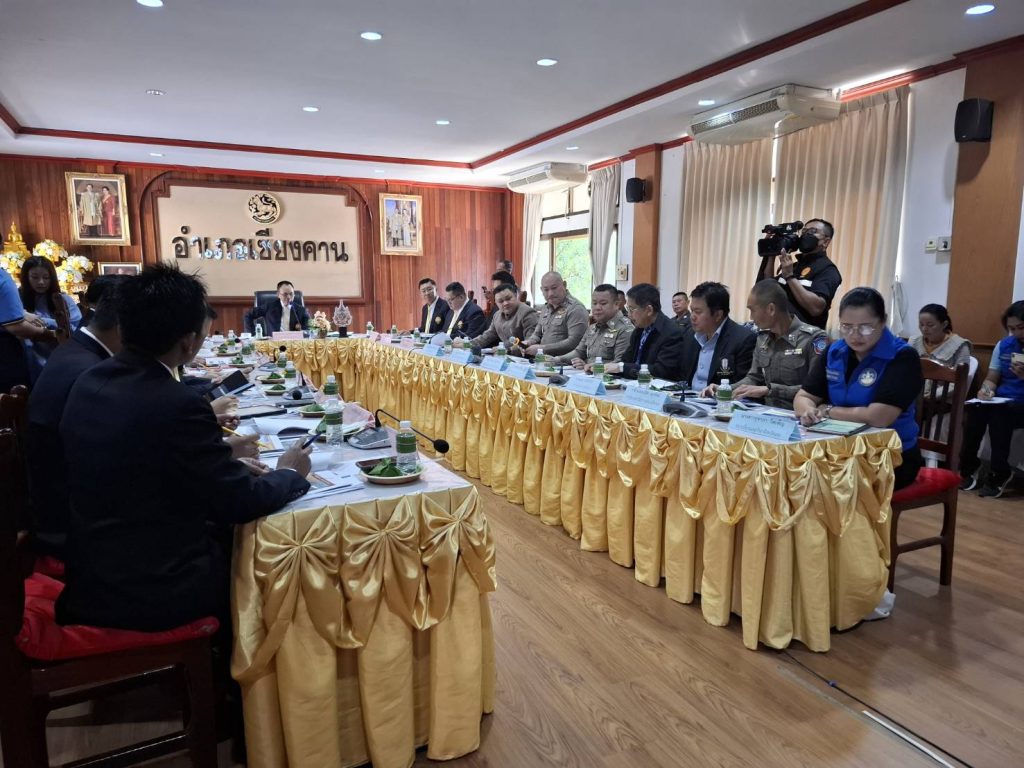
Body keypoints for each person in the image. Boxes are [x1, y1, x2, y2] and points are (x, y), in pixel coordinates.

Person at [56, 263, 312, 632]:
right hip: (155, 588)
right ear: (188, 342)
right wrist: (289, 471)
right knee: (283, 564)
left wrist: (221, 460)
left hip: (91, 575)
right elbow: (240, 502)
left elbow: (146, 464)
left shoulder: (88, 382)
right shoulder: (177, 403)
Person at [26, 276, 127, 558]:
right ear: (123, 326)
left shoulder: (78, 349)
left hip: (59, 491)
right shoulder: (91, 371)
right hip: (70, 515)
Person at [794, 287, 923, 491]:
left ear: (883, 321)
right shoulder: (835, 351)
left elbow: (879, 417)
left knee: (825, 486)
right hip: (839, 449)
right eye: (846, 327)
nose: (855, 335)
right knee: (792, 473)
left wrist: (827, 411)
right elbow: (803, 397)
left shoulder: (902, 357)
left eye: (865, 327)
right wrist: (808, 410)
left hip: (890, 456)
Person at [703, 279, 827, 408]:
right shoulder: (763, 339)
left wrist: (769, 390)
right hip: (766, 413)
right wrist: (725, 388)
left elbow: (817, 389)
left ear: (771, 309)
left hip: (799, 413)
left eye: (752, 310)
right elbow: (753, 378)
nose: (751, 317)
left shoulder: (812, 339)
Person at [959, 300, 1024, 498]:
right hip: (1004, 400)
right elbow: (992, 377)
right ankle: (968, 467)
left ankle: (999, 472)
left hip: (1019, 405)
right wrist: (985, 391)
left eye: (1021, 327)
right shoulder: (1004, 346)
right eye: (1012, 329)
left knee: (1000, 415)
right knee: (976, 408)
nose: (1016, 333)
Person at [756, 218, 842, 329]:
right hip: (777, 331)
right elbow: (768, 287)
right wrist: (771, 253)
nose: (806, 235)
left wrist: (790, 277)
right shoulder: (795, 266)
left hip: (803, 336)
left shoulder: (828, 270)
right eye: (804, 231)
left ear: (826, 242)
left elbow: (816, 308)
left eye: (812, 231)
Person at [679, 282, 756, 390]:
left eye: (698, 312)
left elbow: (740, 386)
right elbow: (682, 376)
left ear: (718, 315)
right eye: (692, 311)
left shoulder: (744, 339)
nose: (692, 317)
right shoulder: (690, 334)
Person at [601, 283, 685, 379]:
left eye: (631, 309)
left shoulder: (671, 332)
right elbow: (626, 360)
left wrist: (621, 367)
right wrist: (606, 367)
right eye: (628, 309)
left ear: (649, 310)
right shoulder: (639, 330)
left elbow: (661, 371)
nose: (629, 314)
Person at [19, 255, 82, 378]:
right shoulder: (17, 298)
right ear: (26, 277)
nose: (41, 282)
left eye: (46, 277)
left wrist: (44, 321)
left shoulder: (63, 299)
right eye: (35, 277)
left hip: (60, 352)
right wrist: (23, 314)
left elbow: (75, 328)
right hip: (26, 355)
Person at [552, 284, 633, 367]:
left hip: (607, 375)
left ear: (616, 304)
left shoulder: (625, 329)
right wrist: (556, 360)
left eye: (603, 303)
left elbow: (620, 364)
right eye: (594, 303)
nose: (597, 307)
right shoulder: (592, 328)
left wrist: (590, 366)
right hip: (587, 373)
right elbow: (579, 352)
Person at [520, 271, 589, 358]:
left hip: (565, 362)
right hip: (542, 360)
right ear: (541, 290)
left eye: (554, 288)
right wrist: (527, 343)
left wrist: (543, 349)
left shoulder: (575, 309)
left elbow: (575, 342)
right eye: (546, 290)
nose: (550, 294)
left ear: (564, 285)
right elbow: (537, 334)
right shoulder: (546, 308)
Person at [459, 282, 538, 351]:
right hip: (505, 356)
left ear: (515, 295)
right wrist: (467, 344)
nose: (505, 303)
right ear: (496, 303)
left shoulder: (527, 313)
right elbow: (487, 336)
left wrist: (505, 349)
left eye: (508, 299)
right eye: (501, 301)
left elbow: (530, 342)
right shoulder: (497, 315)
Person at [909, 303, 972, 370]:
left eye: (930, 325)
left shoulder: (960, 345)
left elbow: (961, 375)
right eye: (921, 324)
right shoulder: (914, 341)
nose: (924, 329)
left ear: (944, 324)